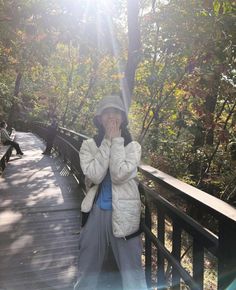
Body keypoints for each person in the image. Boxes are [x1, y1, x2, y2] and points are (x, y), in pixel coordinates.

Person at [74, 95, 147, 290]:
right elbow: (96, 175)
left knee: (132, 270)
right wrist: (107, 140)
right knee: (86, 266)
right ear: (99, 119)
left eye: (116, 112)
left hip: (126, 214)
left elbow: (118, 174)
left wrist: (116, 141)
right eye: (106, 113)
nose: (111, 117)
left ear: (123, 118)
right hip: (96, 210)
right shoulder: (89, 145)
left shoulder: (133, 146)